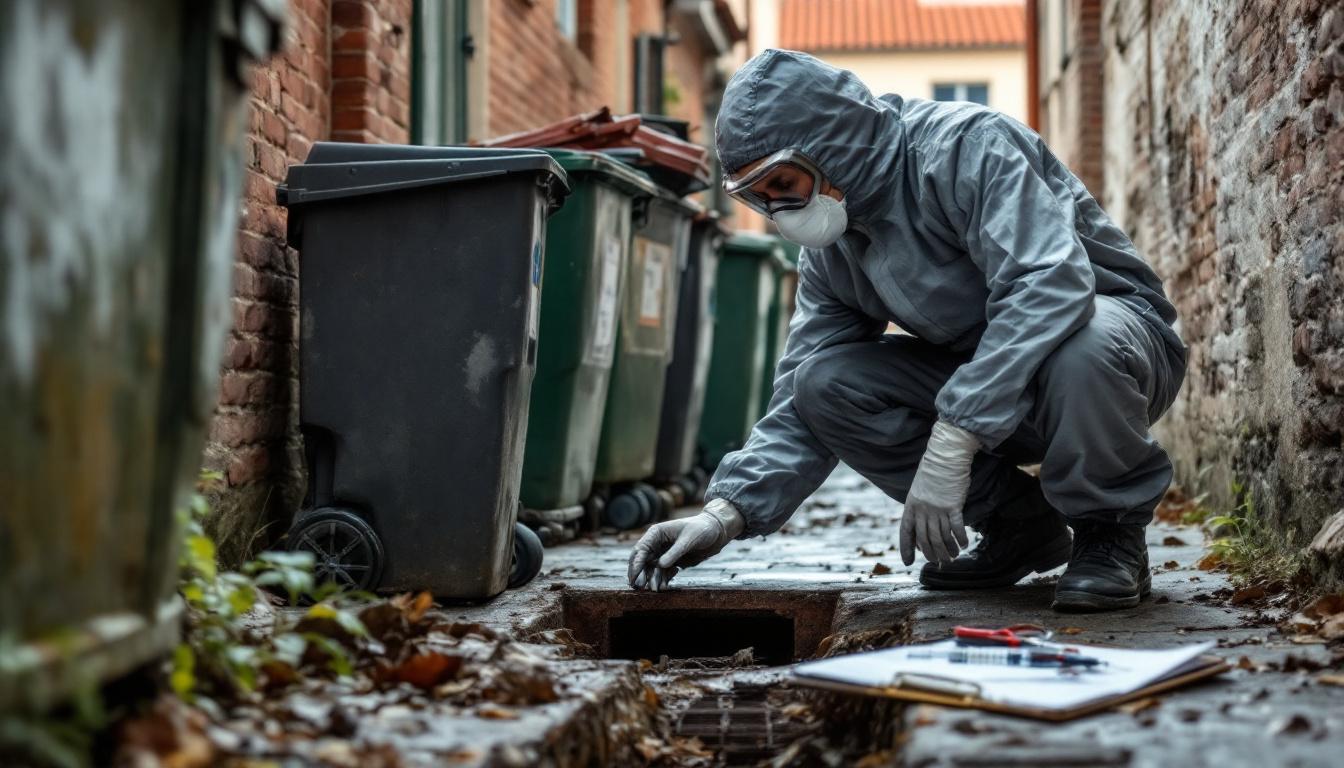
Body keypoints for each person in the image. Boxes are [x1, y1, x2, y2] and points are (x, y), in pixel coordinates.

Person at [626, 50, 1187, 613]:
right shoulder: (834, 248)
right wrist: (725, 513)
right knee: (823, 382)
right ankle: (1020, 523)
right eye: (759, 196)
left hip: (1113, 348)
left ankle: (1109, 534)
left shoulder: (967, 146)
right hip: (999, 391)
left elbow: (1048, 283)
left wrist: (954, 438)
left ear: (831, 148)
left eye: (784, 183)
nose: (779, 209)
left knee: (1081, 348)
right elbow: (803, 385)